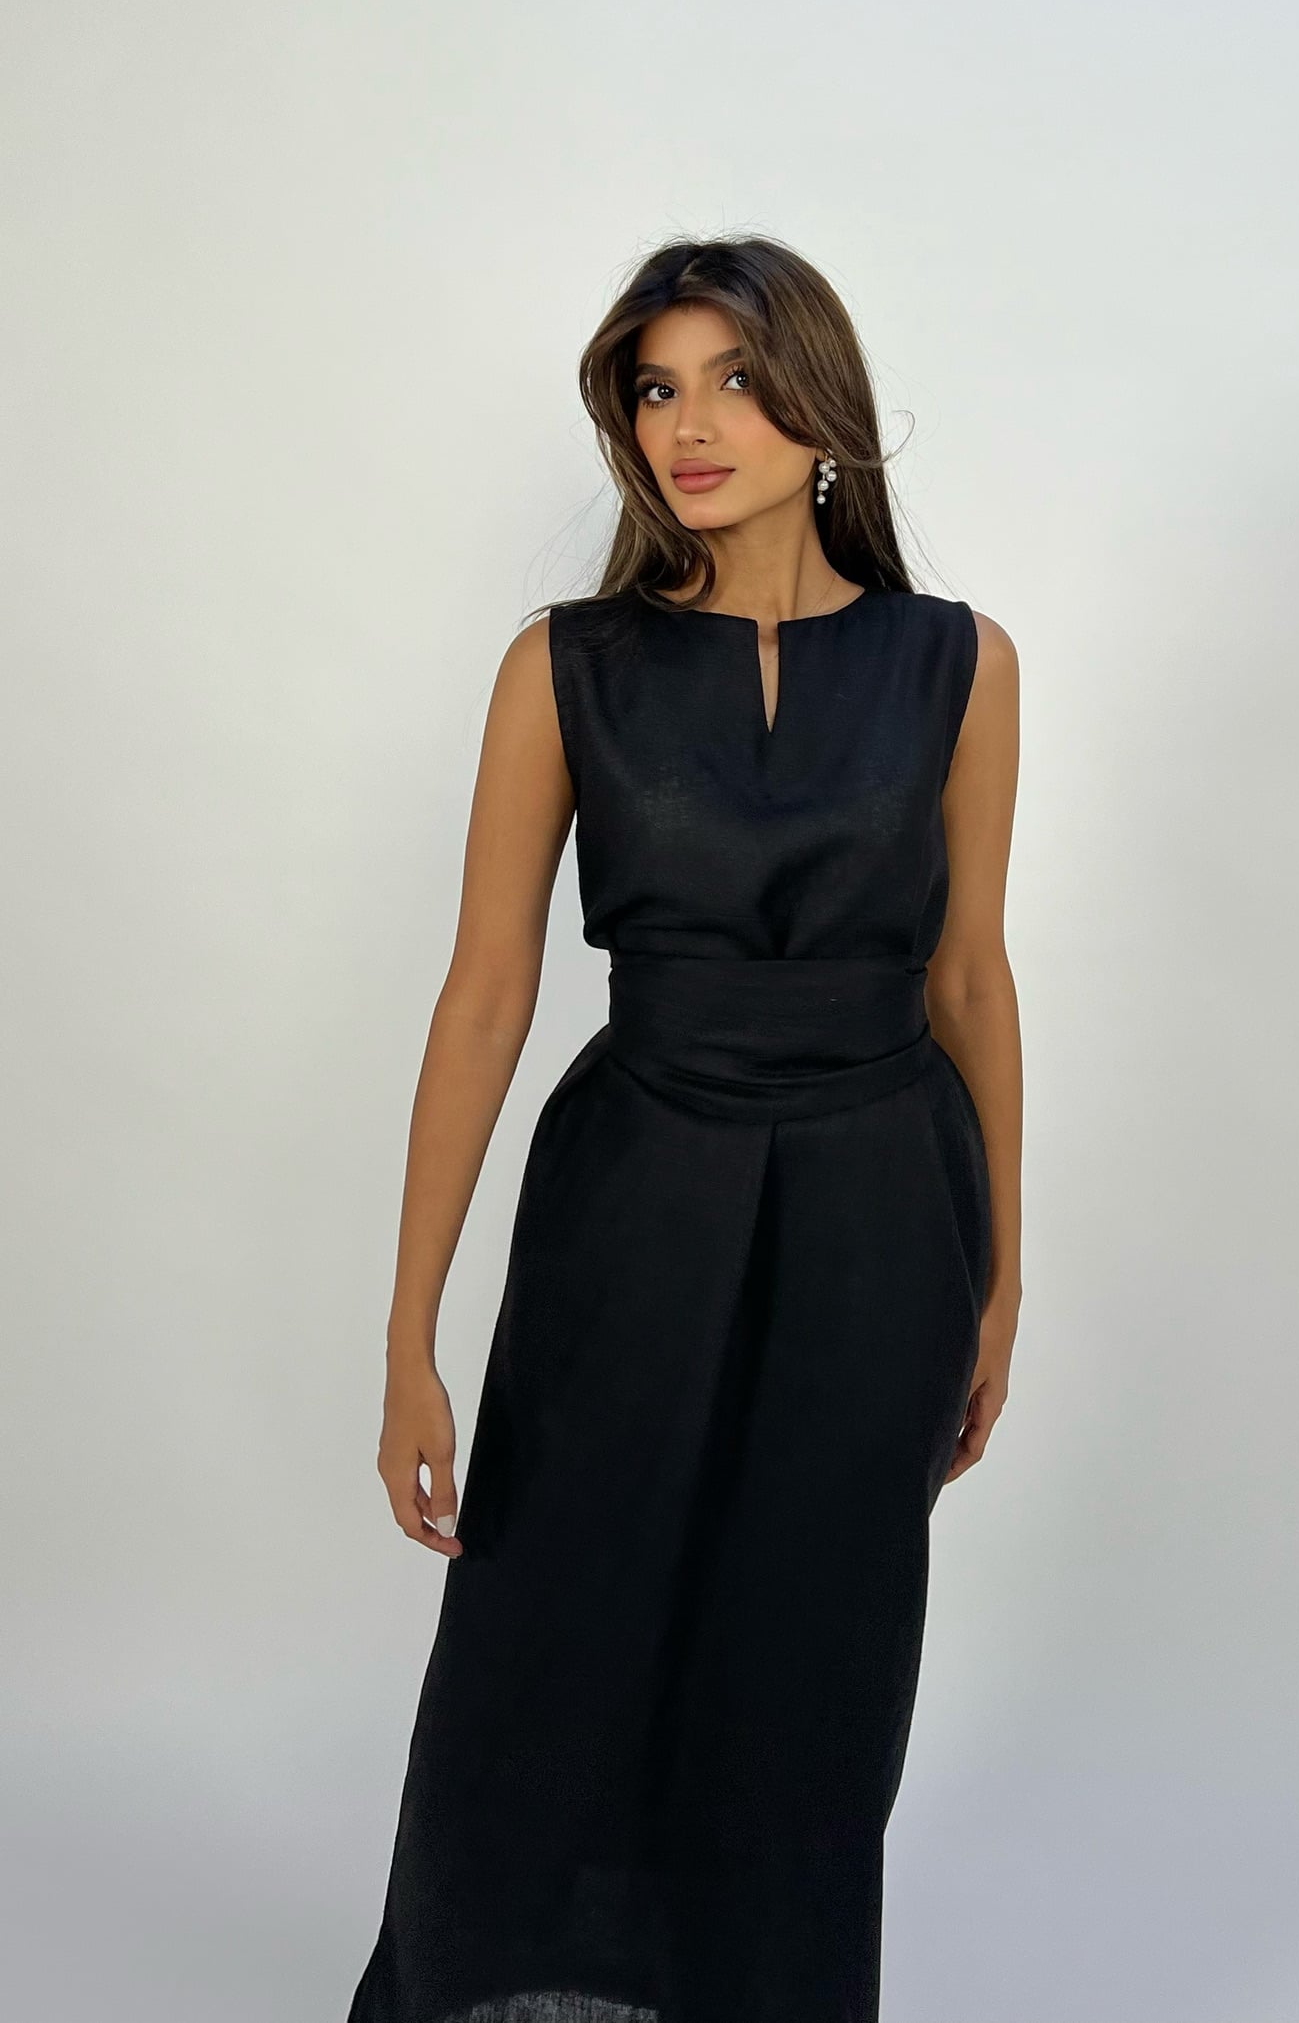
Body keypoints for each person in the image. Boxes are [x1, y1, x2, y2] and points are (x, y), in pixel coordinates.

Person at [345, 234, 1023, 2023]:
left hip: (884, 1207)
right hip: (635, 1193)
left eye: (734, 379)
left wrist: (1004, 1284)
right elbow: (483, 996)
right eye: (658, 389)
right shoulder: (562, 667)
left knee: (816, 1662)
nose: (691, 426)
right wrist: (409, 1339)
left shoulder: (961, 664)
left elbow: (971, 978)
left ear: (825, 410)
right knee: (546, 1638)